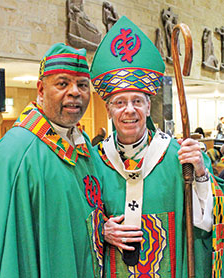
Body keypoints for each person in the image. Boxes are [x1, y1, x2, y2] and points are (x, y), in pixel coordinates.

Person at [90, 16, 224, 277]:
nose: (129, 110)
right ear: (108, 110)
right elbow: (76, 218)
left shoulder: (179, 156)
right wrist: (101, 230)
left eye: (137, 101)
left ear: (148, 106)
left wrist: (200, 176)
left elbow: (207, 223)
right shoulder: (95, 161)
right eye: (120, 103)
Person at [0, 43, 104, 277]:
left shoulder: (83, 145)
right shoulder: (15, 154)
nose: (75, 92)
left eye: (82, 85)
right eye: (63, 84)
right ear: (41, 90)